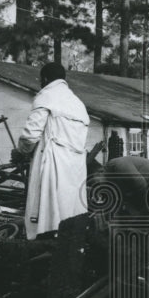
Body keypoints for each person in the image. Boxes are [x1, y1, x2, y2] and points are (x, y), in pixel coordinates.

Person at [14, 62, 90, 240]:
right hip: (75, 167)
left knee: (48, 213)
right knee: (70, 209)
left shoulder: (46, 96)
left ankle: (45, 241)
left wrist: (21, 152)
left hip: (53, 162)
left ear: (45, 79)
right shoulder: (77, 103)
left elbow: (30, 135)